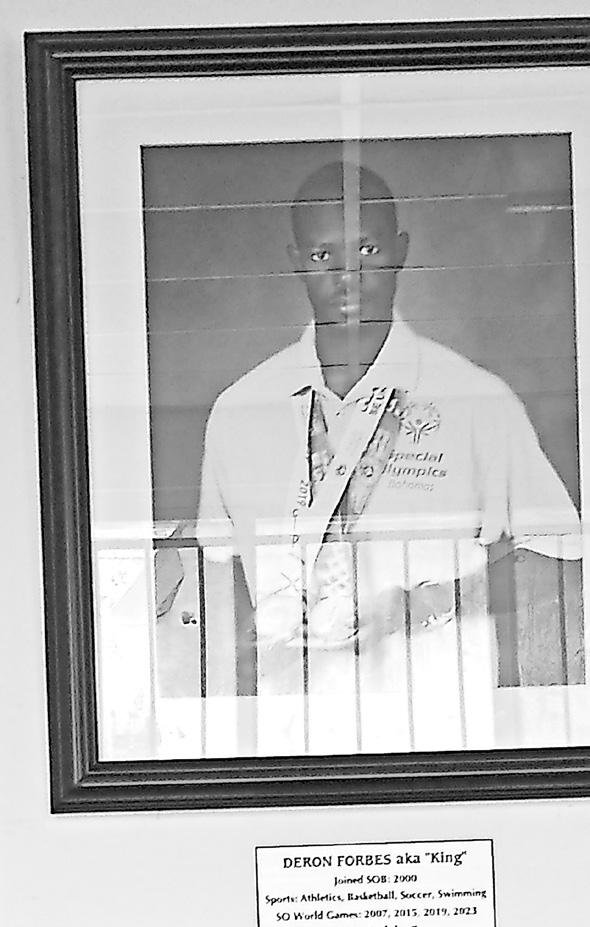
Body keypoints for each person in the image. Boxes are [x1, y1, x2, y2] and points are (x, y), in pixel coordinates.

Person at [196, 160, 584, 713]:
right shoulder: (238, 412)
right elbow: (218, 591)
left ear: (401, 250)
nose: (347, 277)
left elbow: (558, 566)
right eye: (322, 256)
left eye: (368, 250)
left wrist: (416, 608)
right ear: (295, 262)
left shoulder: (477, 401)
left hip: (439, 728)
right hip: (291, 732)